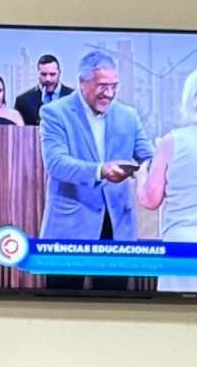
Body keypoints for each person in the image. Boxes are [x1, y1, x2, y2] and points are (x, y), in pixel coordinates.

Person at [40, 48, 153, 241]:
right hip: (69, 230)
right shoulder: (54, 113)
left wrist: (146, 172)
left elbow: (149, 157)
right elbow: (56, 163)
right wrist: (100, 170)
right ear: (82, 83)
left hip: (117, 228)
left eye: (114, 86)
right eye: (102, 86)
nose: (109, 93)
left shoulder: (128, 116)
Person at [137, 65, 197, 293]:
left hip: (182, 245)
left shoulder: (172, 141)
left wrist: (141, 176)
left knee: (177, 317)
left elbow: (150, 199)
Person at [14, 53, 73, 127]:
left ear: (59, 73)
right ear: (38, 74)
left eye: (52, 74)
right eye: (44, 74)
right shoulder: (23, 101)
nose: (48, 79)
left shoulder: (73, 98)